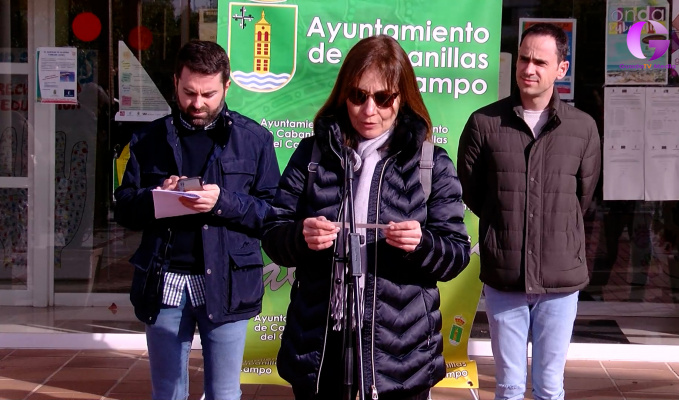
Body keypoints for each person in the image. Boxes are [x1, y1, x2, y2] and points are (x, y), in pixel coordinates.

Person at [261, 35, 471, 400]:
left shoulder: (431, 163)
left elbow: (456, 254)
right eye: (358, 96)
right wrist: (300, 237)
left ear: (402, 97)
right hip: (321, 343)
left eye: (383, 98)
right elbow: (273, 233)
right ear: (344, 95)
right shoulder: (312, 154)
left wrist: (421, 244)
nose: (369, 110)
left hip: (400, 351)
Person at [114, 40, 280, 400]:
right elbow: (124, 208)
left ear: (227, 86)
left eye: (208, 94)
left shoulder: (254, 140)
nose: (198, 103)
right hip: (165, 280)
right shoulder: (148, 139)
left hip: (227, 282)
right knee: (167, 392)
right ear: (175, 82)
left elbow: (273, 215)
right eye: (189, 92)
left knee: (223, 392)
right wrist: (157, 197)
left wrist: (223, 202)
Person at [457, 23, 601, 400]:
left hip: (560, 278)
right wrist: (505, 225)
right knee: (508, 386)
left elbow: (582, 198)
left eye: (540, 62)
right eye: (524, 59)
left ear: (561, 69)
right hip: (505, 275)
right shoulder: (484, 124)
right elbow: (473, 192)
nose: (528, 68)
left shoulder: (582, 128)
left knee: (550, 386)